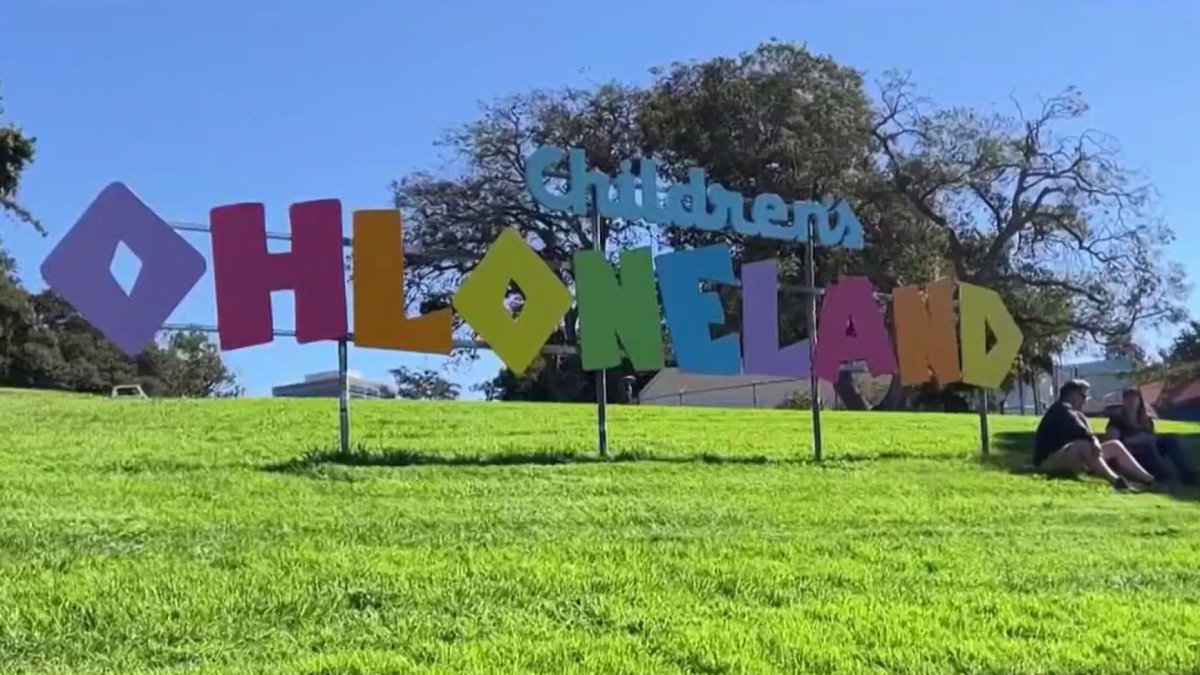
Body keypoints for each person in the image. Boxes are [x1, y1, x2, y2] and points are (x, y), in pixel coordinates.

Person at [1034, 379, 1155, 491]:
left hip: (1070, 457)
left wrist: (1094, 441)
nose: (1085, 401)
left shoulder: (1076, 414)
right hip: (1048, 461)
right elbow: (1083, 433)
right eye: (1083, 396)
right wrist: (1095, 442)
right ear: (1073, 395)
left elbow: (1086, 433)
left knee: (1115, 445)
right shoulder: (1062, 409)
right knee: (1084, 445)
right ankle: (1116, 481)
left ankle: (1148, 479)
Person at [1106, 387, 1197, 486]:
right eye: (1128, 399)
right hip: (1132, 452)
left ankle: (1188, 474)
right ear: (1123, 401)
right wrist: (1136, 439)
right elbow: (1114, 442)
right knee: (1147, 444)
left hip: (1149, 447)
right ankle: (1162, 475)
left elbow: (1151, 436)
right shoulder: (1117, 420)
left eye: (1134, 399)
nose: (1131, 402)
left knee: (1170, 439)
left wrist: (1148, 438)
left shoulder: (1145, 420)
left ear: (1139, 401)